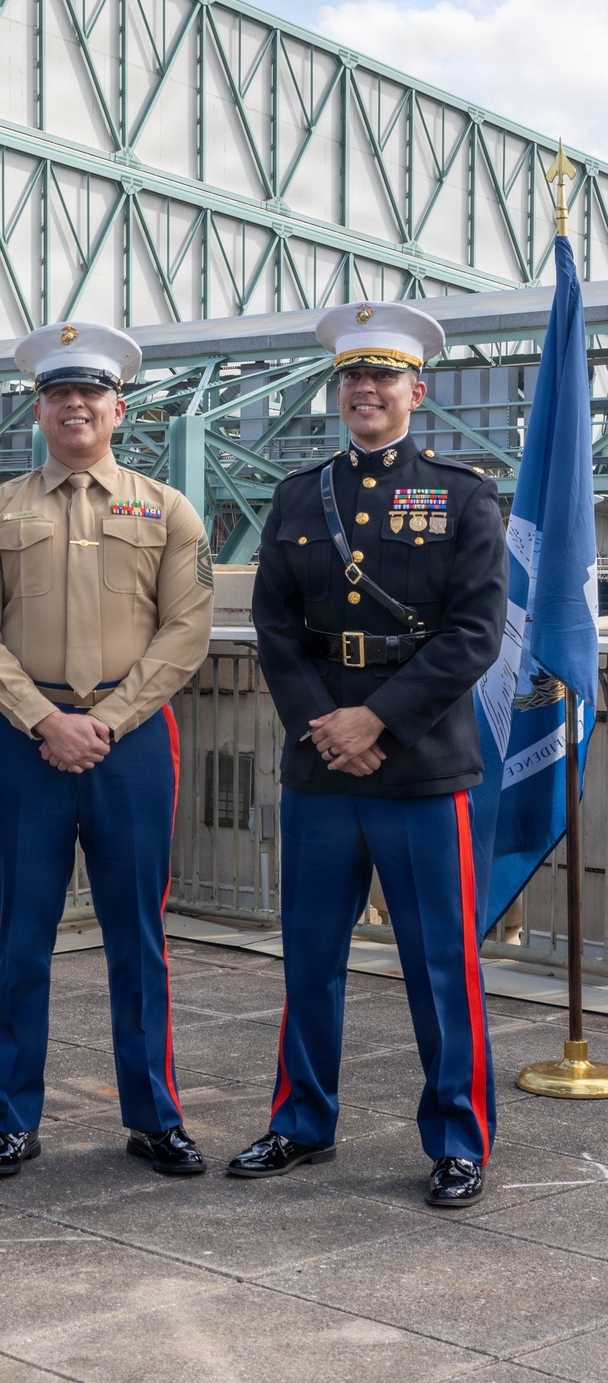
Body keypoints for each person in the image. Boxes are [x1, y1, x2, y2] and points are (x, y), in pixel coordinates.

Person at [227, 301, 508, 1208]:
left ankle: (458, 1139)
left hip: (420, 765)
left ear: (415, 392)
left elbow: (475, 634)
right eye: (353, 376)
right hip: (322, 765)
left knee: (440, 964)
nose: (366, 389)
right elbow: (275, 628)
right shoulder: (298, 496)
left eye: (384, 376)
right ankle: (300, 1122)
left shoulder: (463, 495)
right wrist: (326, 724)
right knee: (309, 956)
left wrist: (375, 721)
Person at [0, 321, 214, 1178]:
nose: (75, 406)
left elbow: (187, 630)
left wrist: (111, 719)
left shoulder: (167, 509)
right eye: (59, 393)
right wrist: (44, 720)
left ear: (117, 409)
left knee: (138, 936)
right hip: (24, 740)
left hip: (130, 743)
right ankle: (11, 1119)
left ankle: (155, 1118)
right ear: (39, 409)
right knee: (21, 939)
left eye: (90, 393)